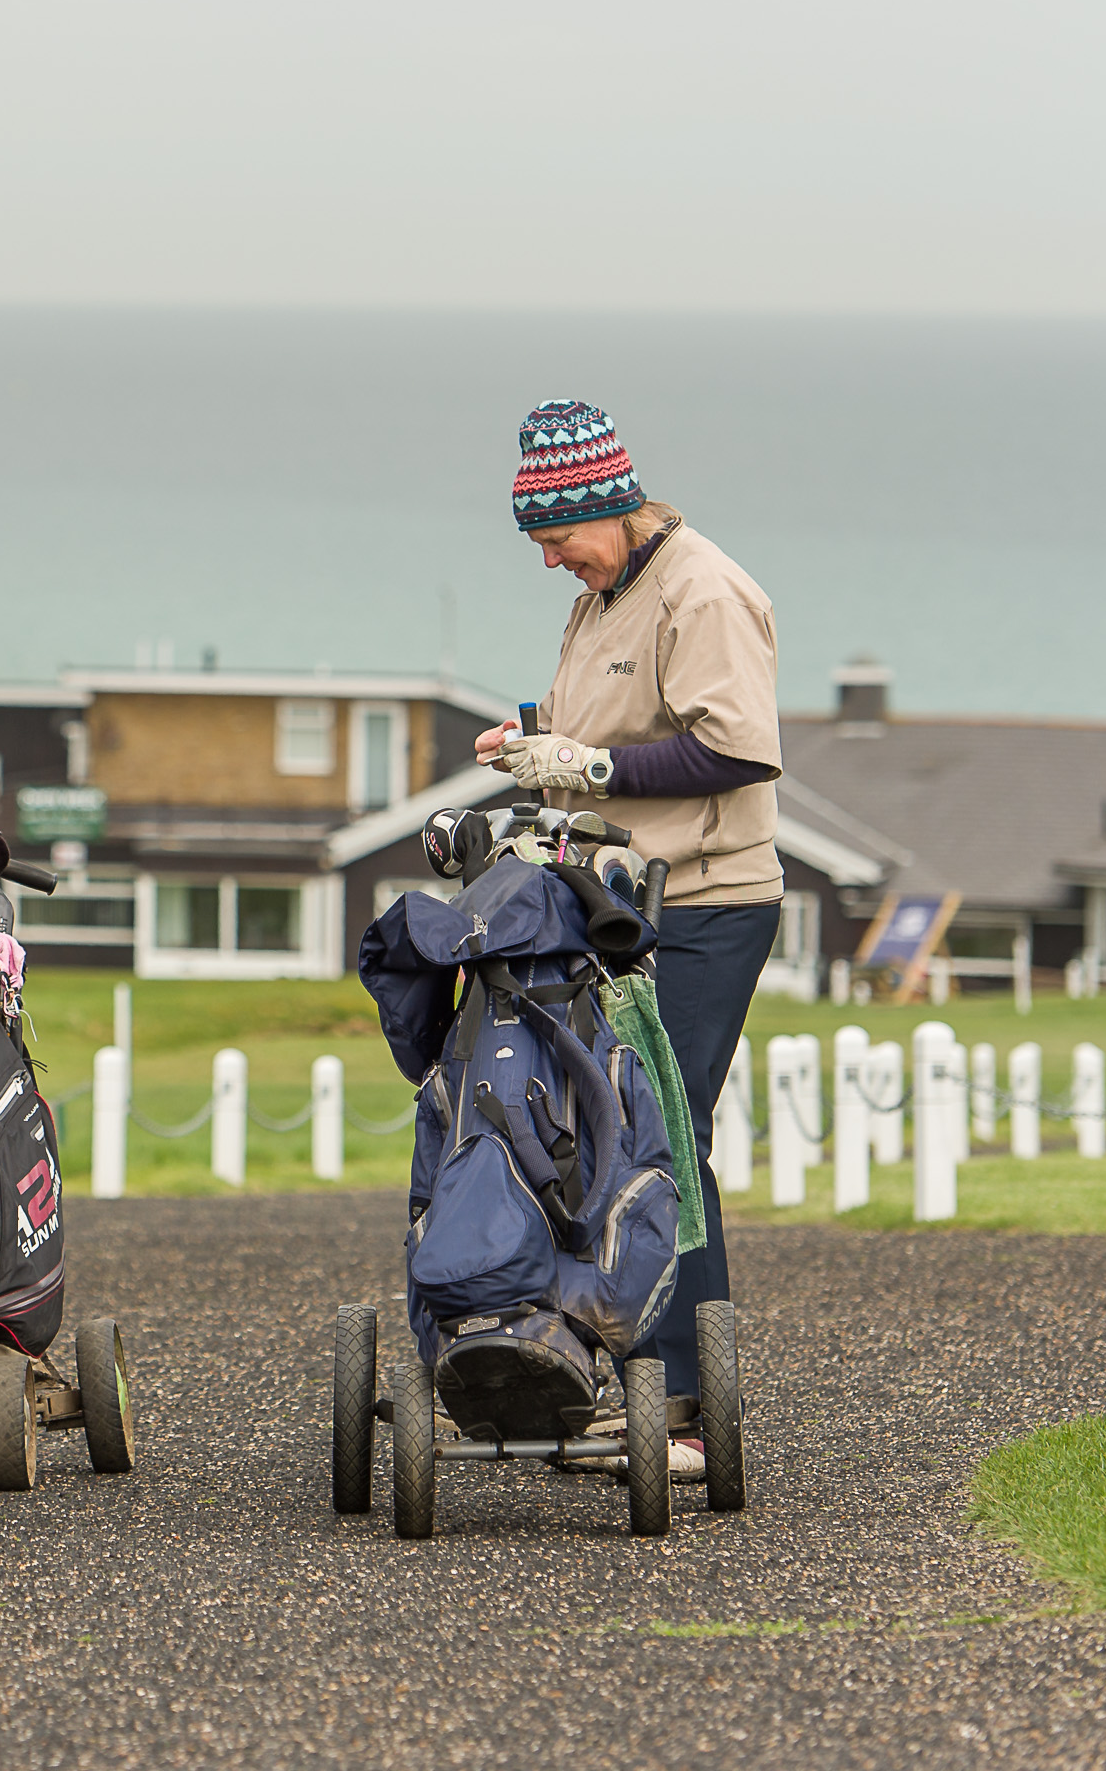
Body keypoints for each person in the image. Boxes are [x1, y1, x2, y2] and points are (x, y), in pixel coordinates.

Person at [475, 399, 780, 1480]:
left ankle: (690, 1411)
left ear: (605, 504)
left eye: (555, 537)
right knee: (598, 1132)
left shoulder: (699, 589)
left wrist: (587, 769)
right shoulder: (605, 594)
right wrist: (536, 748)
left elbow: (735, 753)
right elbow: (595, 733)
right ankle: (633, 1384)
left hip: (700, 906)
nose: (548, 559)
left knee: (662, 1135)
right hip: (609, 903)